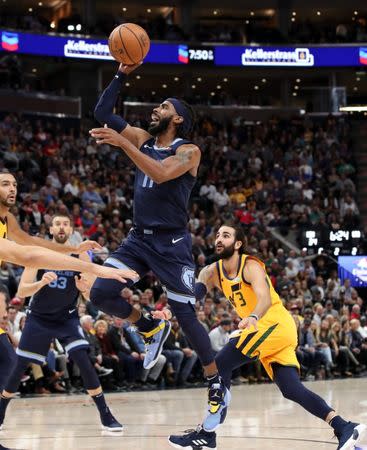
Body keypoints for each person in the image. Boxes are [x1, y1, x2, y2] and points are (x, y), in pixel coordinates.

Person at [89, 61, 224, 414]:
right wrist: (121, 73)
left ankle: (215, 383)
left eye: (164, 106)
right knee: (101, 291)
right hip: (138, 239)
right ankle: (148, 326)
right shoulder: (144, 139)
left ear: (177, 118)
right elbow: (102, 111)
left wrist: (123, 144)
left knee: (187, 316)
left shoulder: (188, 151)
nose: (156, 109)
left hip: (171, 243)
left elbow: (162, 174)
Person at [169, 224, 366, 450]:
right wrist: (169, 311)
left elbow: (264, 298)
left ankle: (207, 433)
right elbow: (192, 297)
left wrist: (253, 316)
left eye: (226, 235)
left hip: (272, 323)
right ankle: (344, 426)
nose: (219, 239)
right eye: (217, 235)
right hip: (270, 333)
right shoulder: (211, 271)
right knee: (291, 389)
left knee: (219, 363)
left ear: (238, 243)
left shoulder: (250, 265)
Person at [0, 214, 123, 431]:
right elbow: (22, 290)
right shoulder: (39, 253)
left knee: (83, 360)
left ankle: (106, 414)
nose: (61, 227)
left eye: (66, 224)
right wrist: (40, 283)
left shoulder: (81, 254)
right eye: (57, 224)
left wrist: (85, 289)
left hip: (67, 318)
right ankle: (0, 413)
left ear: (71, 230)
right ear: (51, 230)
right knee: (19, 367)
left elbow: (91, 291)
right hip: (38, 317)